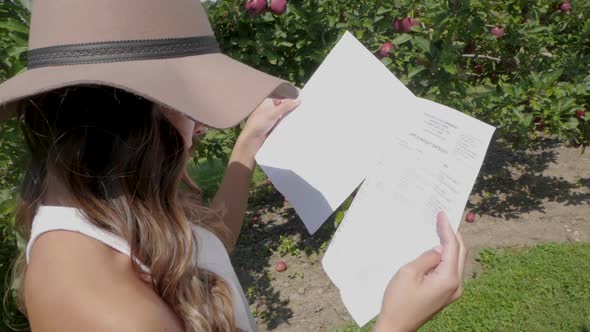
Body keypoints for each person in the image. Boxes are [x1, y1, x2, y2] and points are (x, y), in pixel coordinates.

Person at [0, 1, 466, 331]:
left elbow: (204, 247)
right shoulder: (97, 303)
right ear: (131, 116)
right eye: (186, 101)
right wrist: (394, 324)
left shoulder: (113, 195)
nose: (201, 121)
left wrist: (248, 143)